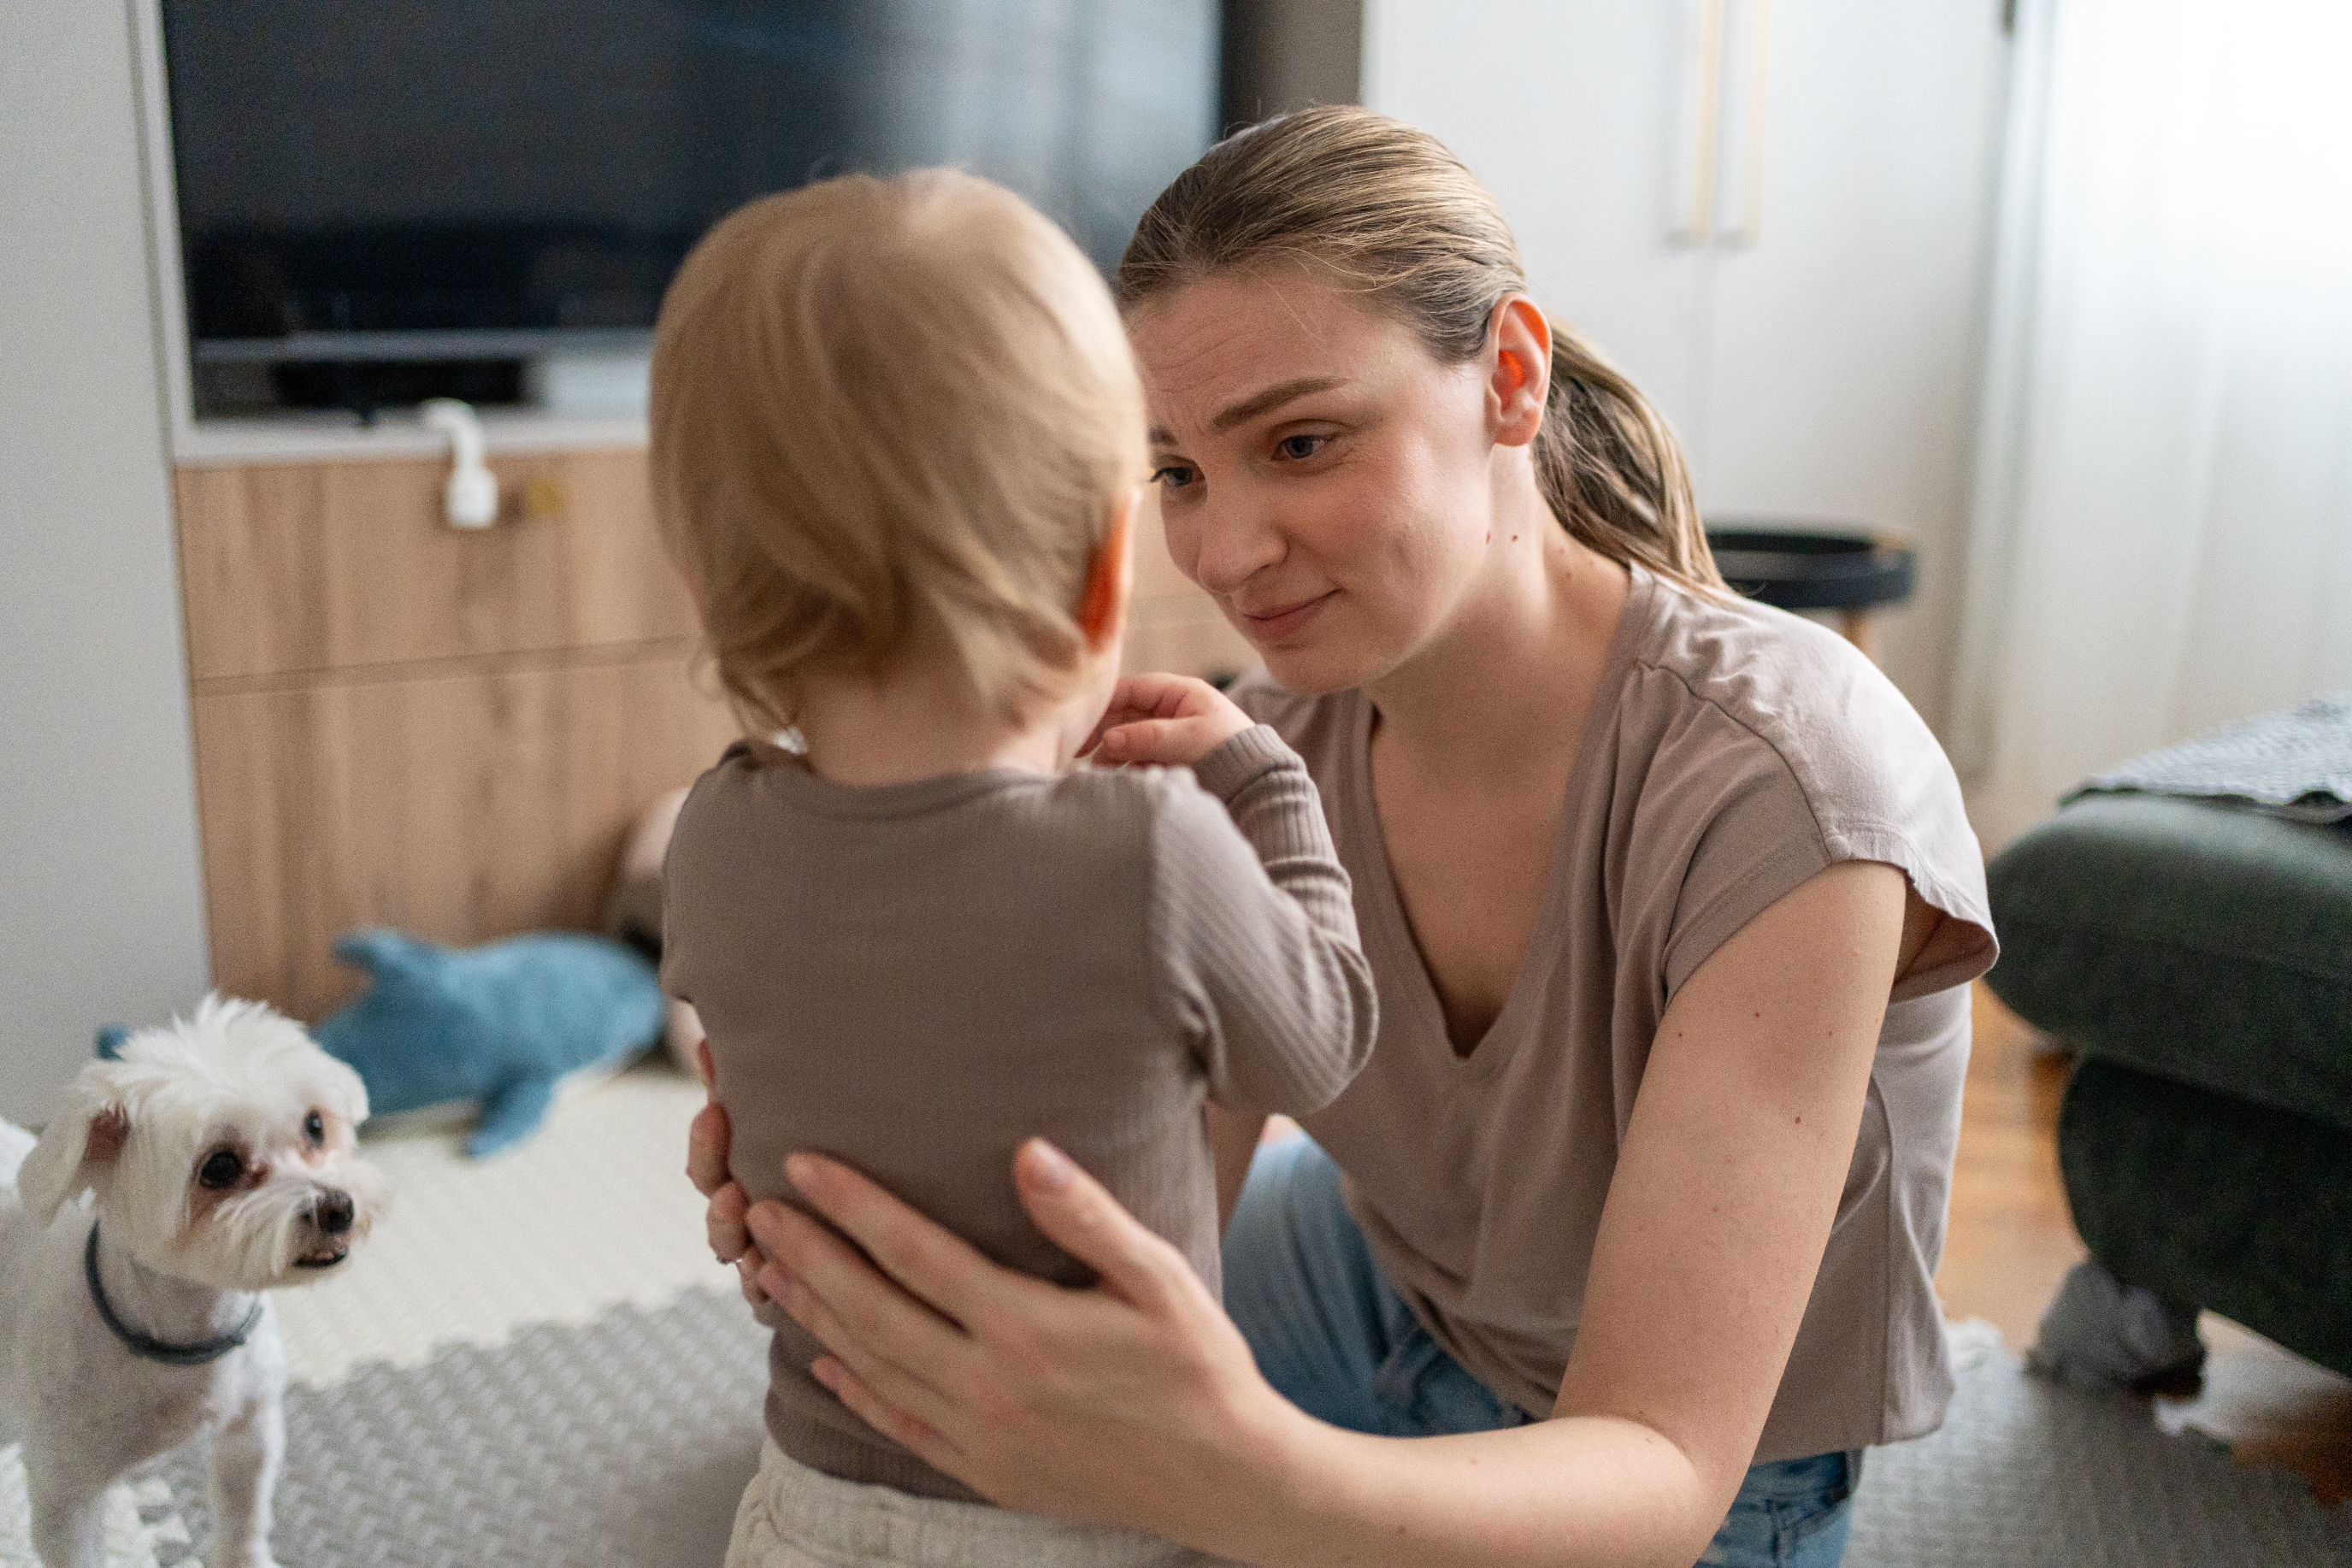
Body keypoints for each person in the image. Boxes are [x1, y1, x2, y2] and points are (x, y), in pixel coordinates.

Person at [689, 109, 1997, 1568]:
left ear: (1509, 375)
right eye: (1177, 471)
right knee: (936, 1370)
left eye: (1300, 442)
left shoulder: (1787, 786)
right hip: (1390, 1299)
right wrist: (856, 1195)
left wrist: (1244, 1475)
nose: (1228, 549)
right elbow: (1155, 1169)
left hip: (1657, 1481)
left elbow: (1666, 1468)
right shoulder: (1265, 743)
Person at [649, 168, 1379, 1568]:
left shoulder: (715, 834)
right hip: (1100, 1508)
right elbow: (1324, 1043)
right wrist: (1261, 777)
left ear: (713, 584)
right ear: (1107, 572)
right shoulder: (1153, 852)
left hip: (808, 1499)